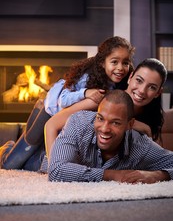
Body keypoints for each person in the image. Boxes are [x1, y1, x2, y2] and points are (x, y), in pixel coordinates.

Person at [0, 36, 135, 170]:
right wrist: (85, 92)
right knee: (10, 165)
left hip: (60, 122)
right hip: (47, 113)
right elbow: (63, 100)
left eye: (125, 63)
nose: (120, 68)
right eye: (114, 62)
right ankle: (8, 146)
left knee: (31, 161)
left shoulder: (115, 85)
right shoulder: (88, 79)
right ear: (102, 63)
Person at [45, 57, 167, 157]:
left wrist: (147, 130)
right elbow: (51, 124)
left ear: (158, 93)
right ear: (130, 78)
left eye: (152, 87)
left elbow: (156, 157)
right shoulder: (103, 100)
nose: (141, 91)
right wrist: (54, 165)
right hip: (54, 150)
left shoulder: (151, 116)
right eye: (139, 81)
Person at [48, 89, 173, 184]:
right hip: (41, 159)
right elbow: (56, 171)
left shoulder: (141, 146)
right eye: (100, 118)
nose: (104, 129)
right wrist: (111, 175)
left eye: (115, 123)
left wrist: (157, 175)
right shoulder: (78, 123)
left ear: (130, 124)